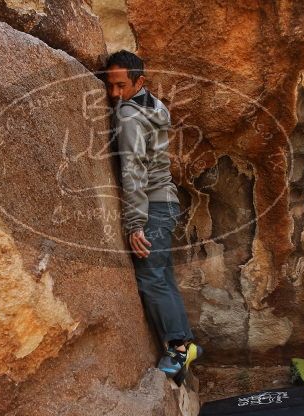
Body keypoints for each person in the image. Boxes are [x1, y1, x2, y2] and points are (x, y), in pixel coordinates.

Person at [104, 50, 203, 380]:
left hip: (152, 205)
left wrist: (135, 222)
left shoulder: (129, 116)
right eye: (110, 87)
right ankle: (187, 345)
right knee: (163, 276)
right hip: (167, 202)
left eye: (121, 86)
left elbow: (133, 170)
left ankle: (178, 347)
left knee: (151, 278)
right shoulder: (154, 105)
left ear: (139, 82)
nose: (115, 94)